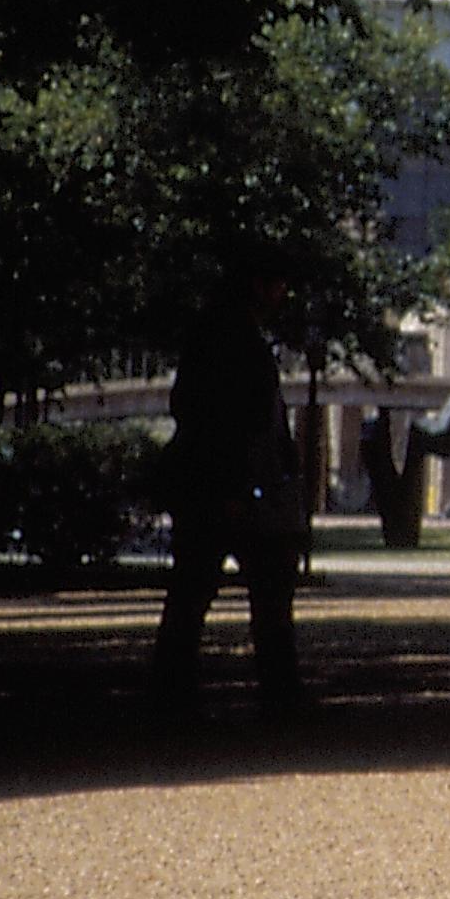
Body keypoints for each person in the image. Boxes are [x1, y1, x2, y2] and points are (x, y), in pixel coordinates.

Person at [151, 250, 306, 719]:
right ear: (258, 285)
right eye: (277, 284)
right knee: (261, 594)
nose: (283, 295)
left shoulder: (217, 336)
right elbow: (235, 421)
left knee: (194, 593)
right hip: (229, 485)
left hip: (217, 482)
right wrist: (237, 484)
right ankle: (275, 694)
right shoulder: (235, 341)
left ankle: (175, 692)